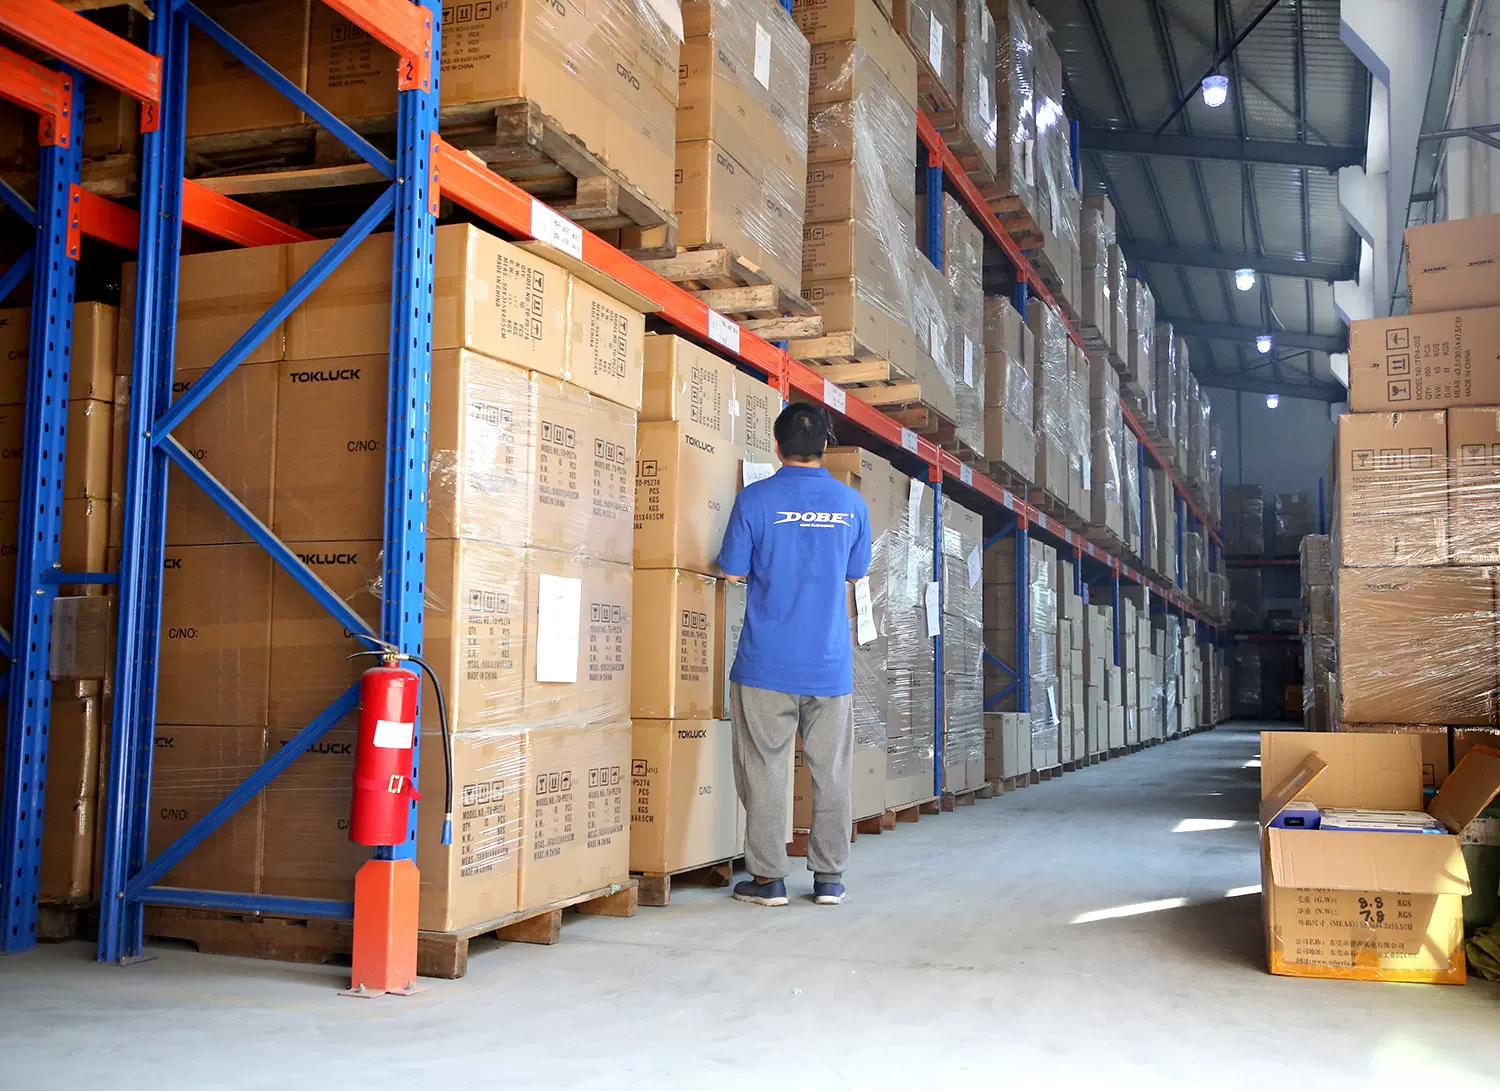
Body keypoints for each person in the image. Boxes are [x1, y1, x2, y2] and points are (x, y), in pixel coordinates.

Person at [716, 402, 871, 907]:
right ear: (825, 445)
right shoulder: (851, 504)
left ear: (777, 445)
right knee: (832, 772)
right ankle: (829, 878)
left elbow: (732, 570)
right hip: (828, 665)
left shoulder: (754, 500)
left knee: (764, 769)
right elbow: (855, 572)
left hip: (766, 664)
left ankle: (769, 880)